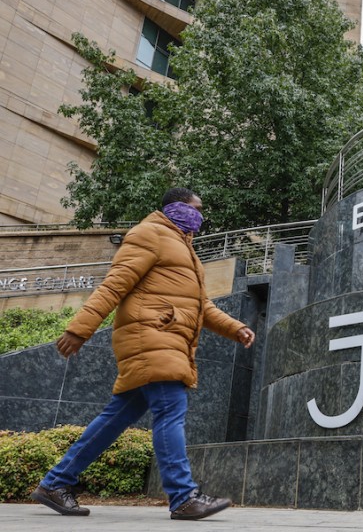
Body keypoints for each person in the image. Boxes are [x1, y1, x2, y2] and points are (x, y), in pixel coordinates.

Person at [30, 188, 256, 521]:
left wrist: (234, 327)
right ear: (175, 208)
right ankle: (183, 497)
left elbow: (199, 305)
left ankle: (56, 482)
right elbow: (114, 284)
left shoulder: (184, 247)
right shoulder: (149, 234)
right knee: (170, 409)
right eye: (195, 208)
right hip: (152, 335)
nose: (200, 216)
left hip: (164, 337)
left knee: (115, 418)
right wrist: (80, 328)